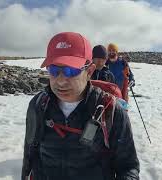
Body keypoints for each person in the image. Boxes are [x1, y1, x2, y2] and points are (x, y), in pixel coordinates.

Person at [21, 32, 140, 180]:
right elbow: (29, 156)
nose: (60, 81)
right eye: (53, 70)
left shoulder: (111, 111)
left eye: (71, 71)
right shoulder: (38, 105)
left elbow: (128, 168)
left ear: (90, 71)